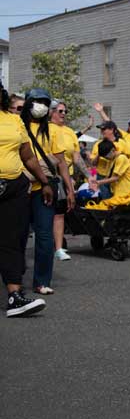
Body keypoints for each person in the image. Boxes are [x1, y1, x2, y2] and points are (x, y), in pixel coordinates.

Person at [0, 80, 53, 317]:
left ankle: (14, 297)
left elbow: (28, 156)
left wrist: (44, 181)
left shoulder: (13, 120)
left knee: (12, 242)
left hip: (13, 188)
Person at [20, 89, 75, 294]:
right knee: (18, 235)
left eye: (45, 102)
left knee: (45, 236)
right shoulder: (18, 126)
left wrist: (70, 190)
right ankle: (14, 278)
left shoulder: (52, 130)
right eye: (37, 101)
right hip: (20, 188)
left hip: (45, 189)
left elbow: (61, 162)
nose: (41, 105)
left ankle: (42, 281)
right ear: (28, 103)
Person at [49, 99, 90, 261]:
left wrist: (88, 176)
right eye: (60, 111)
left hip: (67, 178)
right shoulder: (47, 129)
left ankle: (58, 248)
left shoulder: (70, 132)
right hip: (51, 176)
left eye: (65, 111)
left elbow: (76, 156)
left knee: (60, 213)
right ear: (51, 112)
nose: (64, 114)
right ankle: (49, 243)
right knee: (51, 213)